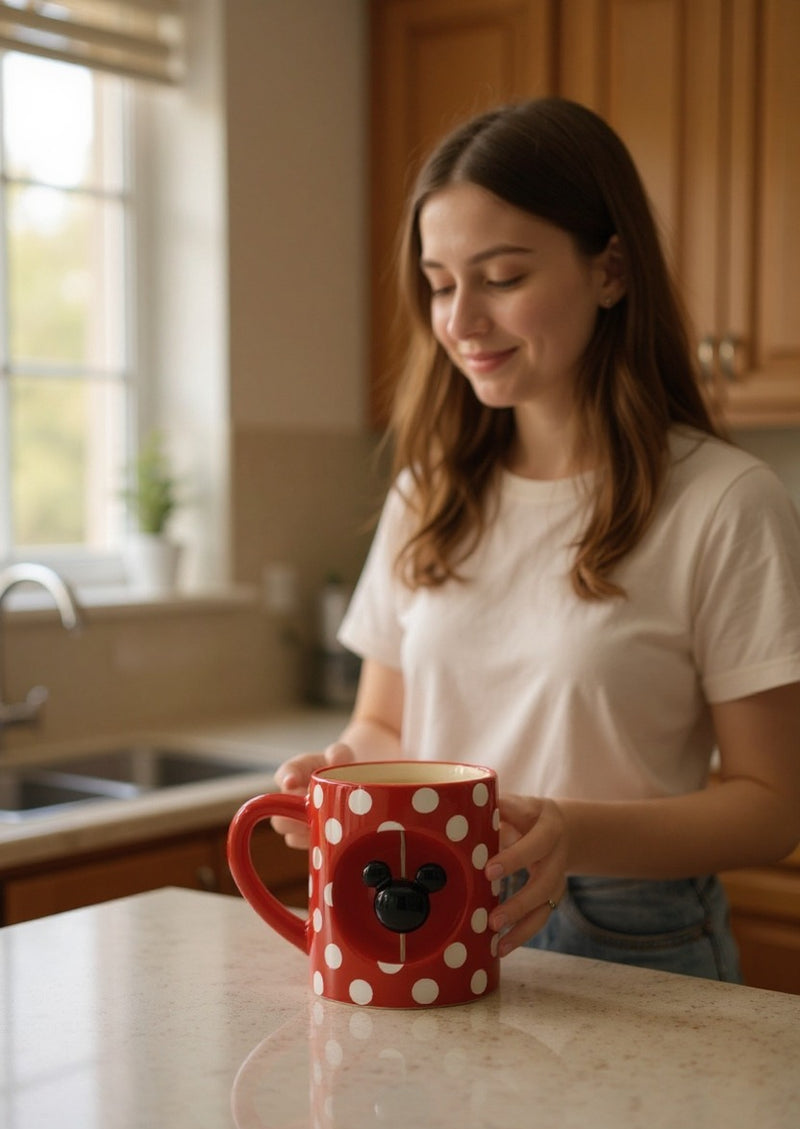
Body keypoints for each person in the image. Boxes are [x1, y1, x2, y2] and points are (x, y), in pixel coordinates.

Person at [272, 97, 800, 981]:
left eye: (502, 278)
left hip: (629, 937)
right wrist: (342, 770)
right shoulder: (429, 495)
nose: (461, 321)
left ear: (612, 270)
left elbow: (774, 807)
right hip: (425, 913)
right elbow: (386, 721)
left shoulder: (724, 502)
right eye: (440, 284)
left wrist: (570, 832)